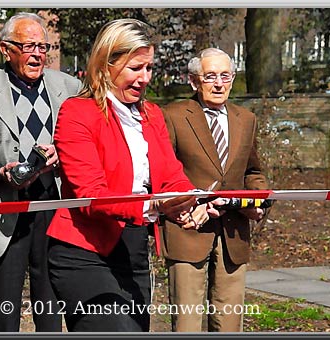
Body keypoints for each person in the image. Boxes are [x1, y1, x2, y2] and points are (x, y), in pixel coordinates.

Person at [45, 19, 218, 332]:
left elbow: (171, 177)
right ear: (106, 63)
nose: (145, 78)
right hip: (83, 254)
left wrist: (190, 202)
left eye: (149, 68)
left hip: (133, 251)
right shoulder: (76, 112)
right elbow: (90, 195)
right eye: (135, 68)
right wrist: (153, 207)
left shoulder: (152, 114)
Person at [0, 12, 81, 332]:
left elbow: (84, 146)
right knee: (4, 313)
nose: (38, 53)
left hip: (54, 208)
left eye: (43, 46)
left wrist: (62, 155)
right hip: (3, 209)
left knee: (50, 310)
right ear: (6, 49)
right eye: (29, 46)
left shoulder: (70, 87)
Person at [161, 47, 269, 332]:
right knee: (187, 322)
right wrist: (184, 204)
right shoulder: (173, 115)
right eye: (210, 76)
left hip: (234, 232)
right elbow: (162, 173)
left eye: (225, 75)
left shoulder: (246, 119)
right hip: (188, 229)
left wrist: (259, 202)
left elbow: (253, 172)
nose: (219, 83)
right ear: (194, 81)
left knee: (229, 320)